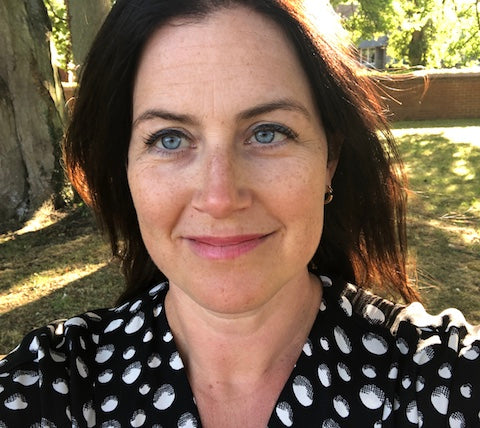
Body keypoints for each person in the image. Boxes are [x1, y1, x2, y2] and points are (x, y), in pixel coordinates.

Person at [0, 0, 478, 426]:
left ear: (329, 158)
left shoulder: (448, 381)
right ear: (125, 167)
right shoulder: (42, 391)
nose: (220, 197)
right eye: (170, 138)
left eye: (267, 132)